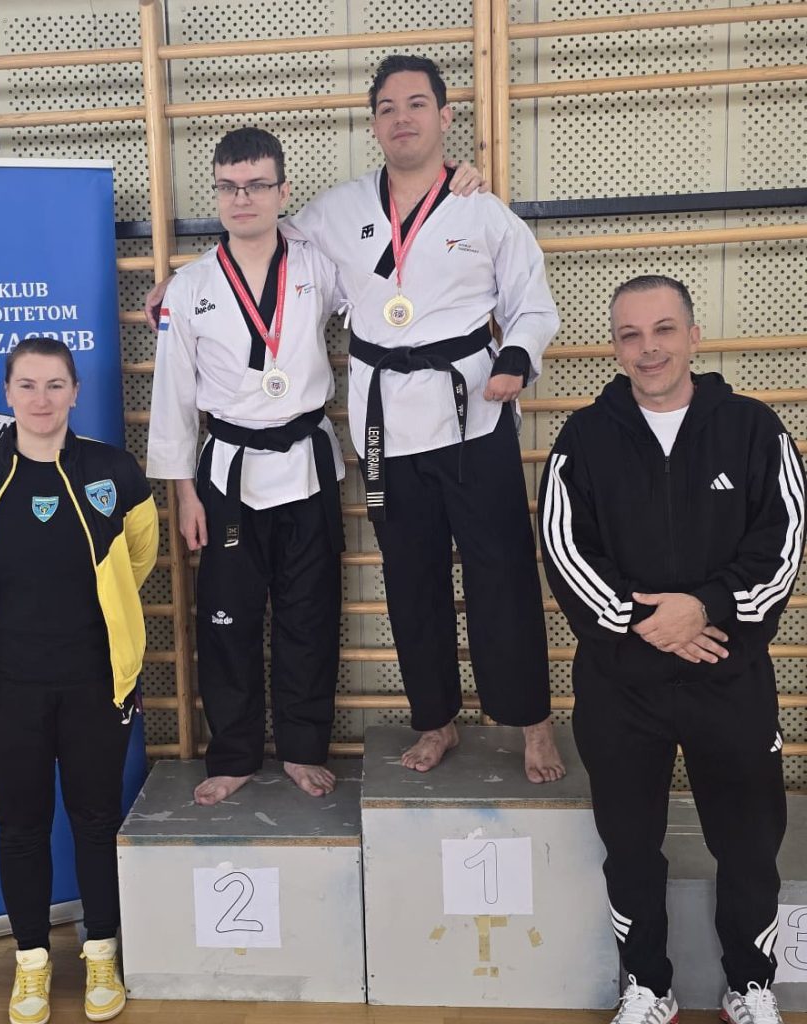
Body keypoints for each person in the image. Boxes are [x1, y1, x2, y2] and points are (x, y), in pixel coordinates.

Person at [281, 54, 564, 781]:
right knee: (411, 579)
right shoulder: (337, 211)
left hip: (475, 416)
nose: (401, 118)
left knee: (502, 572)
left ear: (444, 116)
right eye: (387, 107)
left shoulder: (481, 210)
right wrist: (182, 286)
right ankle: (436, 720)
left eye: (415, 104)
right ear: (374, 124)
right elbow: (266, 254)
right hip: (384, 427)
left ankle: (532, 721)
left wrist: (516, 358)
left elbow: (532, 303)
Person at [539, 276, 803, 1024]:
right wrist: (644, 622)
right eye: (630, 334)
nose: (648, 348)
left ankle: (750, 984)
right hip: (622, 687)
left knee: (749, 845)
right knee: (630, 848)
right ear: (615, 347)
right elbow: (564, 550)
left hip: (730, 679)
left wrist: (706, 608)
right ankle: (648, 986)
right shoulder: (582, 440)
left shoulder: (754, 430)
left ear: (693, 336)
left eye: (662, 330)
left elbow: (782, 546)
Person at [0, 337, 158, 1024]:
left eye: (55, 385)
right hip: (4, 691)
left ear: (75, 392)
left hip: (97, 685)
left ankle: (102, 953)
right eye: (27, 385)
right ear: (7, 393)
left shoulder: (112, 471)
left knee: (96, 821)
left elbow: (138, 556)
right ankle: (31, 962)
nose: (41, 399)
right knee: (21, 827)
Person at [147, 127, 346, 806]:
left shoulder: (321, 265)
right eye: (230, 187)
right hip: (226, 474)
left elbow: (385, 302)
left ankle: (302, 748)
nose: (243, 198)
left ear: (282, 192)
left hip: (309, 465)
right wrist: (184, 493)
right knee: (225, 621)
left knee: (309, 617)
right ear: (217, 193)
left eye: (258, 185)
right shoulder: (190, 286)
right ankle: (232, 755)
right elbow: (173, 396)